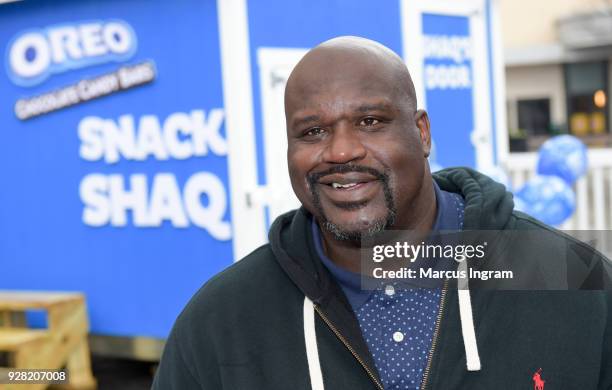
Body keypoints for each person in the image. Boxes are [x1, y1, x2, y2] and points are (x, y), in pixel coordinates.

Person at [152, 36, 612, 389]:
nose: (342, 150)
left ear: (422, 132)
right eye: (312, 131)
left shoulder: (574, 280)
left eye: (370, 121)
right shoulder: (219, 323)